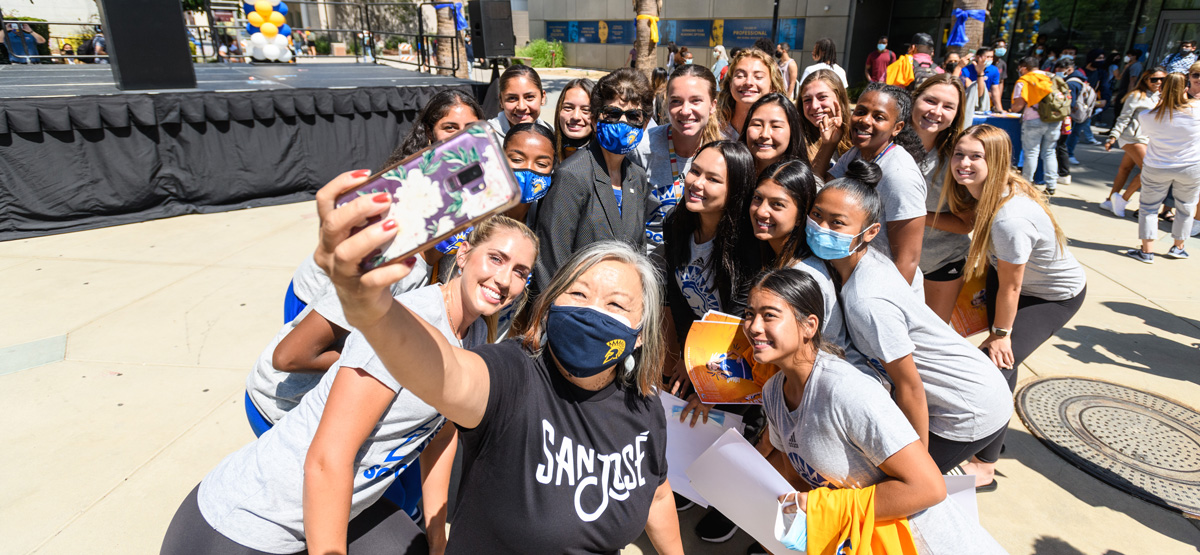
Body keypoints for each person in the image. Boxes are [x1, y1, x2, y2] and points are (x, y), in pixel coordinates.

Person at [314, 179, 685, 552]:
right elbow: (447, 371)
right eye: (578, 293)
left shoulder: (644, 405)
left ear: (640, 333)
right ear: (552, 303)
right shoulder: (513, 375)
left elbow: (655, 495)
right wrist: (374, 308)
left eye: (616, 305)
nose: (591, 311)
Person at [161, 215, 539, 555]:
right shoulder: (406, 327)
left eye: (520, 272)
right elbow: (328, 460)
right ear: (463, 255)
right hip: (247, 524)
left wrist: (439, 538)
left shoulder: (475, 337)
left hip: (344, 509)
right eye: (496, 259)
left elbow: (441, 433)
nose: (504, 280)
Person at [749, 269, 1007, 553]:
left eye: (769, 315)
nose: (753, 327)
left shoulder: (847, 392)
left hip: (922, 543)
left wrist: (826, 507)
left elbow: (929, 487)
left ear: (809, 326)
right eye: (750, 314)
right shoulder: (773, 393)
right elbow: (798, 478)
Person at [809, 160, 1013, 472]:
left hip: (968, 408)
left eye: (837, 223)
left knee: (900, 488)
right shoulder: (867, 263)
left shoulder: (867, 300)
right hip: (967, 390)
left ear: (870, 232)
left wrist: (917, 467)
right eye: (817, 215)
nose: (821, 228)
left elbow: (910, 387)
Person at [943, 125, 1087, 490]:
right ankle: (992, 439)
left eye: (976, 157)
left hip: (1052, 295)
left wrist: (1001, 334)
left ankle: (985, 467)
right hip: (1006, 278)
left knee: (993, 363)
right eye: (960, 154)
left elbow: (1013, 286)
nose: (964, 163)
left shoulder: (1011, 217)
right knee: (1004, 364)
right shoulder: (986, 191)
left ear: (997, 161)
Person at [534, 68, 652, 289]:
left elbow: (639, 252)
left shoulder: (637, 177)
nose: (622, 123)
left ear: (645, 124)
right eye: (613, 114)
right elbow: (551, 261)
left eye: (633, 116)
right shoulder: (572, 175)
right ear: (596, 120)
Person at [812, 82, 927, 291]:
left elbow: (907, 260)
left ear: (897, 128)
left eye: (879, 117)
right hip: (854, 281)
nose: (865, 121)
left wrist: (886, 307)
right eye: (861, 112)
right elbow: (821, 189)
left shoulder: (900, 176)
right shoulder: (857, 153)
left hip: (882, 292)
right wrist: (828, 145)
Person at [747, 161, 853, 357]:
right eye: (757, 198)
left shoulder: (805, 273)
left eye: (777, 205)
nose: (761, 211)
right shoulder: (777, 257)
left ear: (800, 216)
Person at [631, 64, 725, 250]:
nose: (685, 110)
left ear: (713, 105)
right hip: (651, 261)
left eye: (696, 101)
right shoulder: (642, 148)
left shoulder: (724, 152)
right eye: (676, 101)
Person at [911, 74, 970, 323]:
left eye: (948, 106)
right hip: (886, 262)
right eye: (930, 101)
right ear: (914, 100)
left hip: (941, 263)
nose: (936, 111)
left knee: (931, 339)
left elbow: (966, 222)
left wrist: (913, 216)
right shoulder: (883, 142)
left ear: (957, 114)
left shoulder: (959, 157)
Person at [1125, 71, 1200, 262]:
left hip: (1157, 165)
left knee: (1149, 207)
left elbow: (1148, 134)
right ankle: (1178, 247)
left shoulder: (1147, 115)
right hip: (1190, 166)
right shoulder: (1197, 110)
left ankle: (1147, 251)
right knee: (1186, 207)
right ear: (1186, 88)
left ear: (1161, 89)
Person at [1102, 67, 1166, 217]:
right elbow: (1123, 118)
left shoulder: (1162, 97)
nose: (1158, 82)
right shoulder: (1136, 96)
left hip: (1148, 139)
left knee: (1125, 169)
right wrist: (1113, 136)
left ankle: (1109, 200)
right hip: (1133, 138)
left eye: (1162, 79)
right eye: (1154, 79)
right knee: (1149, 170)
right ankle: (1122, 200)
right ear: (1145, 80)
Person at [1011, 57, 1062, 193]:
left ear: (1024, 67)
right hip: (1054, 119)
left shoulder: (1025, 80)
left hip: (1033, 120)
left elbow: (1018, 105)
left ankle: (1026, 184)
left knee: (1031, 153)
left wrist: (1011, 109)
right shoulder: (1051, 77)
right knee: (1049, 152)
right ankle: (1051, 185)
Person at [717, 48, 787, 138]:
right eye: (740, 76)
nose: (748, 82)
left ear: (772, 86)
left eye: (758, 76)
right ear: (730, 84)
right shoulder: (714, 128)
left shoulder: (784, 130)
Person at [501, 122, 557, 224]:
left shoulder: (551, 216)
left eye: (541, 164)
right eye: (517, 160)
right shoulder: (475, 211)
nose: (528, 169)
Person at [742, 92, 808, 175]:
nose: (764, 134)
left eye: (775, 126)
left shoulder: (806, 183)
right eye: (757, 125)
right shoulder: (729, 174)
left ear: (792, 131)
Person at [797, 69, 853, 163]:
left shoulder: (856, 135)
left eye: (822, 97)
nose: (814, 106)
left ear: (839, 97)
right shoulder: (796, 141)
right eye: (807, 100)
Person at [487, 64, 552, 137]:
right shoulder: (485, 138)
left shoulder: (552, 134)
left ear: (542, 97)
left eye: (529, 97)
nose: (521, 107)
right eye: (512, 98)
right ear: (501, 100)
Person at [552, 78, 595, 161]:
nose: (575, 116)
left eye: (586, 110)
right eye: (568, 108)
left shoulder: (606, 158)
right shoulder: (545, 149)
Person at [962, 47, 1005, 113]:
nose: (990, 59)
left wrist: (1000, 109)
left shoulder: (994, 70)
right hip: (968, 101)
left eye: (991, 57)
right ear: (978, 57)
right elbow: (974, 91)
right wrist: (980, 73)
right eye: (987, 57)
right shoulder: (966, 70)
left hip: (984, 102)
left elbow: (995, 90)